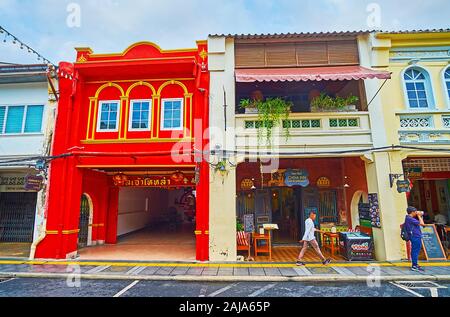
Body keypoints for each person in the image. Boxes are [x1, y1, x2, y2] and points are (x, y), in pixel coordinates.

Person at [404, 206, 426, 272]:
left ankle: (415, 264)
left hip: (414, 236)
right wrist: (419, 216)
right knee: (415, 251)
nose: (416, 213)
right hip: (415, 236)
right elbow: (422, 224)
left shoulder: (409, 218)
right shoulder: (410, 218)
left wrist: (418, 216)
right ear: (412, 212)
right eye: (415, 212)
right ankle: (414, 265)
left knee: (415, 250)